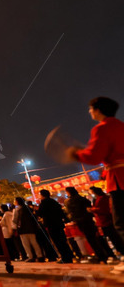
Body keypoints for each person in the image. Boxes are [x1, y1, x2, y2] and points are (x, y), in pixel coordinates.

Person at [68, 97, 124, 273]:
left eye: (91, 108)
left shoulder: (101, 128)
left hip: (119, 179)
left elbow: (94, 156)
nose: (89, 112)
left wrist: (77, 154)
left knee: (121, 221)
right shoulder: (121, 125)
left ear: (98, 109)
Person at [64, 187, 108, 263]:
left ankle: (101, 257)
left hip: (81, 221)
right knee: (96, 238)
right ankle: (106, 254)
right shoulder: (82, 198)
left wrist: (74, 219)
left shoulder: (71, 201)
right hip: (89, 219)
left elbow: (71, 212)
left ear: (69, 192)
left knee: (91, 239)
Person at [35, 189, 74, 263]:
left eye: (39, 195)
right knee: (63, 240)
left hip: (51, 225)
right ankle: (69, 256)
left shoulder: (44, 203)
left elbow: (40, 213)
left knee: (58, 241)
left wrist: (36, 211)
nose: (39, 196)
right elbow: (61, 212)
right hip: (59, 223)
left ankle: (65, 258)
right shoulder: (54, 201)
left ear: (43, 195)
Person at [90, 186, 124, 258]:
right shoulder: (104, 198)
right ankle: (119, 251)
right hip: (105, 221)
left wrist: (93, 210)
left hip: (105, 221)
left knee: (113, 237)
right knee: (113, 237)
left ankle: (119, 251)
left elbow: (103, 210)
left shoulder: (102, 199)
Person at [13, 197, 43, 262]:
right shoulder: (29, 208)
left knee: (26, 244)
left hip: (22, 229)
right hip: (31, 228)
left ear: (17, 202)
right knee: (34, 242)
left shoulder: (17, 209)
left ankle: (30, 256)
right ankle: (39, 255)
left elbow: (15, 220)